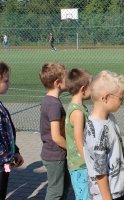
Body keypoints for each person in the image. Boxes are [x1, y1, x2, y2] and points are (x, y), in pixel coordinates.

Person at [83, 70, 124, 200]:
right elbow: (100, 172)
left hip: (116, 191)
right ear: (106, 97)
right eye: (121, 98)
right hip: (106, 195)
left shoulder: (110, 118)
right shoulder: (97, 132)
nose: (122, 101)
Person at [39, 62, 71, 200]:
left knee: (63, 188)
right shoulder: (53, 104)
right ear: (58, 82)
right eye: (66, 78)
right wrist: (73, 148)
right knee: (55, 192)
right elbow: (56, 137)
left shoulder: (50, 101)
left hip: (57, 154)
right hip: (55, 155)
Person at [65, 68, 92, 200]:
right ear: (83, 89)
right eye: (90, 87)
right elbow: (79, 140)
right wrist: (89, 162)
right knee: (84, 197)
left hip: (80, 164)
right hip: (81, 165)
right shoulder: (78, 113)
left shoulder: (77, 108)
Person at [0, 62, 24, 200]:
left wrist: (16, 151)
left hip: (6, 163)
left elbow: (7, 134)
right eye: (5, 80)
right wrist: (9, 156)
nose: (9, 83)